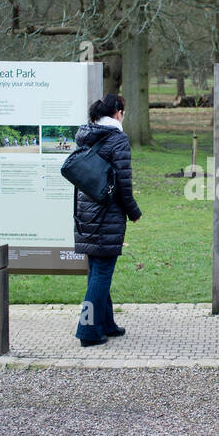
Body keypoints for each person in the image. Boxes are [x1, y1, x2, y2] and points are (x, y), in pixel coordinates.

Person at [73, 94, 142, 346]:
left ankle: (106, 324)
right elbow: (123, 183)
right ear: (118, 113)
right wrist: (133, 212)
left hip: (85, 214)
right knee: (101, 274)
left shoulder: (86, 135)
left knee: (98, 272)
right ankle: (88, 331)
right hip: (106, 216)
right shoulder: (117, 139)